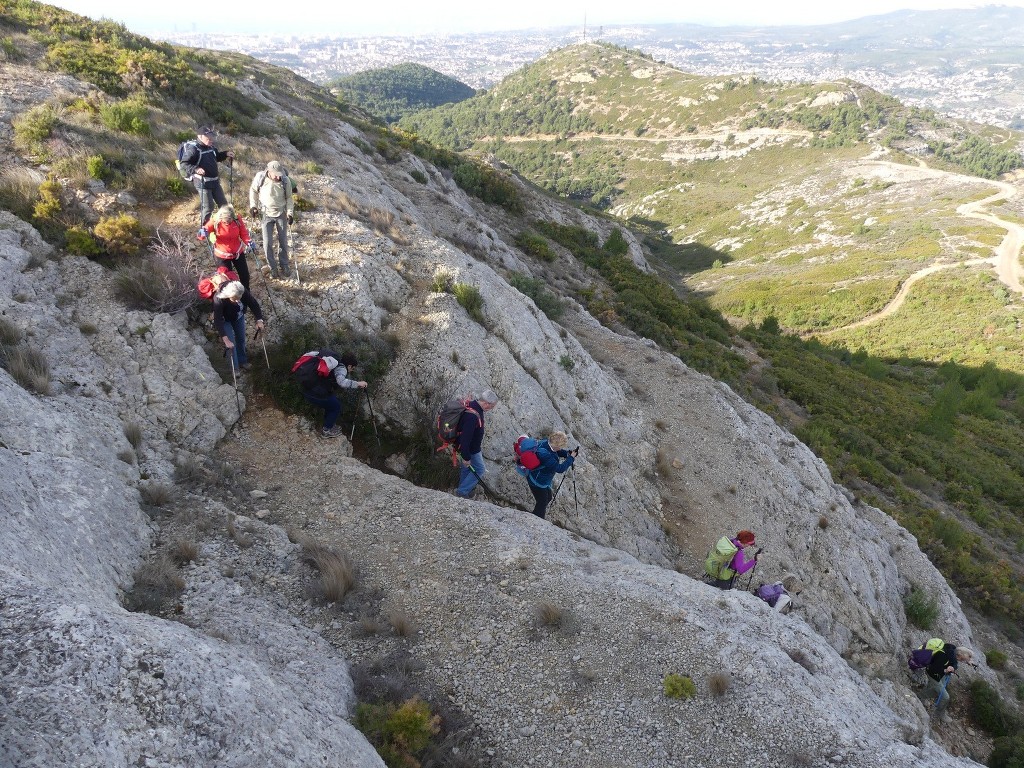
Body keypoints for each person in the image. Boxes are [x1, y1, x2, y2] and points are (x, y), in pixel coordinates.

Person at [293, 350, 367, 438]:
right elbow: (341, 382)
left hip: (307, 388)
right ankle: (326, 431)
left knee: (332, 402)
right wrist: (358, 384)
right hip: (316, 394)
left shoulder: (333, 361)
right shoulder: (341, 368)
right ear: (350, 365)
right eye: (352, 368)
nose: (351, 370)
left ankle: (328, 424)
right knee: (336, 406)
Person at [249, 160, 295, 279]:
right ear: (269, 171)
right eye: (276, 174)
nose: (278, 176)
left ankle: (284, 264)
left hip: (281, 213)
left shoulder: (286, 180)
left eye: (280, 174)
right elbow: (253, 191)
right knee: (267, 242)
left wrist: (290, 214)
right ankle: (272, 266)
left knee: (283, 240)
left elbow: (289, 198)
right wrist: (253, 206)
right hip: (265, 213)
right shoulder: (261, 177)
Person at [181, 126, 234, 227]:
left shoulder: (211, 147)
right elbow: (184, 163)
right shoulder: (193, 149)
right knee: (208, 207)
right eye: (208, 138)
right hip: (202, 182)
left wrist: (226, 154)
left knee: (224, 204)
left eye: (211, 137)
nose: (211, 139)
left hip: (215, 182)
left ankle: (227, 225)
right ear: (200, 137)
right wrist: (196, 169)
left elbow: (216, 157)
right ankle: (204, 230)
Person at [454, 390, 498, 498]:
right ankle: (462, 492)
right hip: (471, 449)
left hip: (465, 447)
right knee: (480, 469)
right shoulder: (472, 416)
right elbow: (466, 437)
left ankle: (462, 491)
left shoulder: (473, 406)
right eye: (491, 406)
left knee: (466, 469)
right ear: (486, 403)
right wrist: (466, 456)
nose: (491, 409)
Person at [523, 431, 576, 519]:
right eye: (561, 447)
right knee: (542, 502)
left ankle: (536, 515)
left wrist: (568, 453)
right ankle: (536, 520)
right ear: (557, 446)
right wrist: (571, 458)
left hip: (540, 479)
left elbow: (557, 451)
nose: (561, 448)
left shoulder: (546, 443)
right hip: (537, 481)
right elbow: (560, 468)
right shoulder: (545, 455)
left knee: (548, 498)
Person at [212, 280, 263, 372]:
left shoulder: (241, 290)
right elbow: (218, 320)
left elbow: (253, 304)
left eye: (239, 298)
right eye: (234, 299)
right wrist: (226, 339)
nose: (237, 301)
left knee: (241, 339)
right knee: (231, 344)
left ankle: (243, 361)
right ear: (228, 295)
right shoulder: (219, 298)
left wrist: (259, 320)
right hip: (225, 320)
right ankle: (234, 368)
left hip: (238, 316)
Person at [204, 205, 253, 290]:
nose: (227, 223)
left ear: (232, 217)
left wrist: (249, 242)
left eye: (229, 220)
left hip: (237, 252)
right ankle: (230, 299)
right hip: (222, 255)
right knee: (226, 279)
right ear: (220, 217)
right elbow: (205, 230)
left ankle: (246, 294)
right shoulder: (215, 221)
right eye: (225, 221)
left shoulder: (237, 219)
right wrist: (202, 233)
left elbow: (244, 234)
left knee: (244, 275)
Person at [924, 642, 973, 715]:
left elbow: (955, 664)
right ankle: (939, 714)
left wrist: (966, 661)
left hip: (939, 674)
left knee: (937, 692)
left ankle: (920, 696)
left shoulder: (952, 654)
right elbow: (933, 669)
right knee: (945, 697)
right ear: (959, 655)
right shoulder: (943, 655)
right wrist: (945, 670)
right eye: (962, 659)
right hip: (933, 674)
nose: (961, 661)